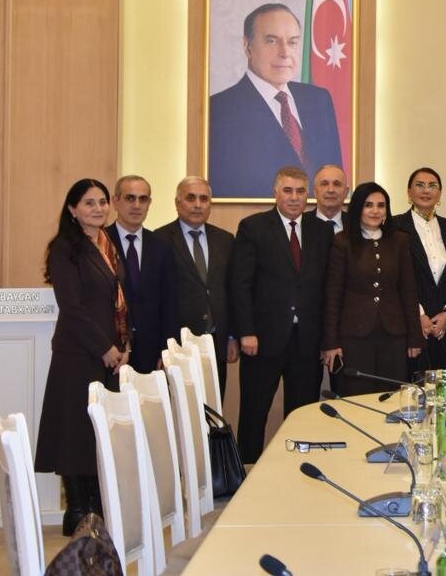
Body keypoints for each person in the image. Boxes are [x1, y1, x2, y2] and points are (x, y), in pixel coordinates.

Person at [34, 179, 131, 535]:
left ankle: (96, 506)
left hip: (109, 353)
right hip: (79, 353)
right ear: (73, 209)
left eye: (103, 202)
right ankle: (78, 509)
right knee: (75, 431)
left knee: (96, 432)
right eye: (89, 203)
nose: (99, 208)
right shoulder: (65, 248)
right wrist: (104, 347)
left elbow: (118, 300)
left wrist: (124, 345)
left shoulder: (105, 244)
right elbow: (72, 307)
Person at [230, 166, 335, 464]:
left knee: (302, 414)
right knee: (254, 412)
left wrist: (327, 339)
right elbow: (240, 284)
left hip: (307, 341)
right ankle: (247, 470)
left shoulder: (322, 231)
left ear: (308, 195)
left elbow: (327, 287)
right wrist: (246, 331)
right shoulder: (253, 227)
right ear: (275, 193)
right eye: (287, 190)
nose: (294, 197)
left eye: (300, 191)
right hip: (262, 340)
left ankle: (296, 469)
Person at [208, 3, 344, 199]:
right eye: (272, 41)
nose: (285, 52)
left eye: (292, 42)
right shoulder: (220, 110)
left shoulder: (319, 100)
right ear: (247, 46)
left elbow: (335, 178)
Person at [321, 181, 424, 397]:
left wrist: (415, 337)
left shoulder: (400, 241)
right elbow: (333, 296)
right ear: (358, 208)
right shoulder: (343, 242)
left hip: (394, 336)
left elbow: (408, 291)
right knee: (356, 396)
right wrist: (331, 342)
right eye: (368, 205)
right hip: (354, 337)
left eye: (381, 205)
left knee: (391, 397)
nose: (375, 211)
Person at [155, 176, 237, 397]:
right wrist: (161, 347)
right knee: (181, 407)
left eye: (204, 199)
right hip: (177, 343)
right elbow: (156, 298)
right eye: (191, 198)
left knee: (214, 405)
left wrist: (232, 336)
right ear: (177, 202)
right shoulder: (159, 240)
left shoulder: (225, 240)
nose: (198, 205)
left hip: (216, 342)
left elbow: (232, 291)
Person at [106, 175, 177, 374]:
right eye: (130, 198)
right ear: (116, 201)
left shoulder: (162, 246)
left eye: (143, 199)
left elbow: (170, 302)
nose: (137, 205)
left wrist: (166, 350)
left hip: (151, 350)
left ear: (149, 203)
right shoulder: (101, 242)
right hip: (112, 350)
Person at [391, 167, 446, 374]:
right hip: (410, 325)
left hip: (444, 326)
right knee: (413, 385)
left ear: (440, 193)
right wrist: (418, 314)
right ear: (409, 192)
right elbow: (395, 278)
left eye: (432, 186)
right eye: (419, 185)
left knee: (445, 384)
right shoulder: (395, 225)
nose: (426, 190)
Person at [310, 164, 349, 233]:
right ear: (315, 191)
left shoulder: (357, 224)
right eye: (324, 184)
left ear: (346, 192)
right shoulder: (300, 223)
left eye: (336, 184)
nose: (331, 190)